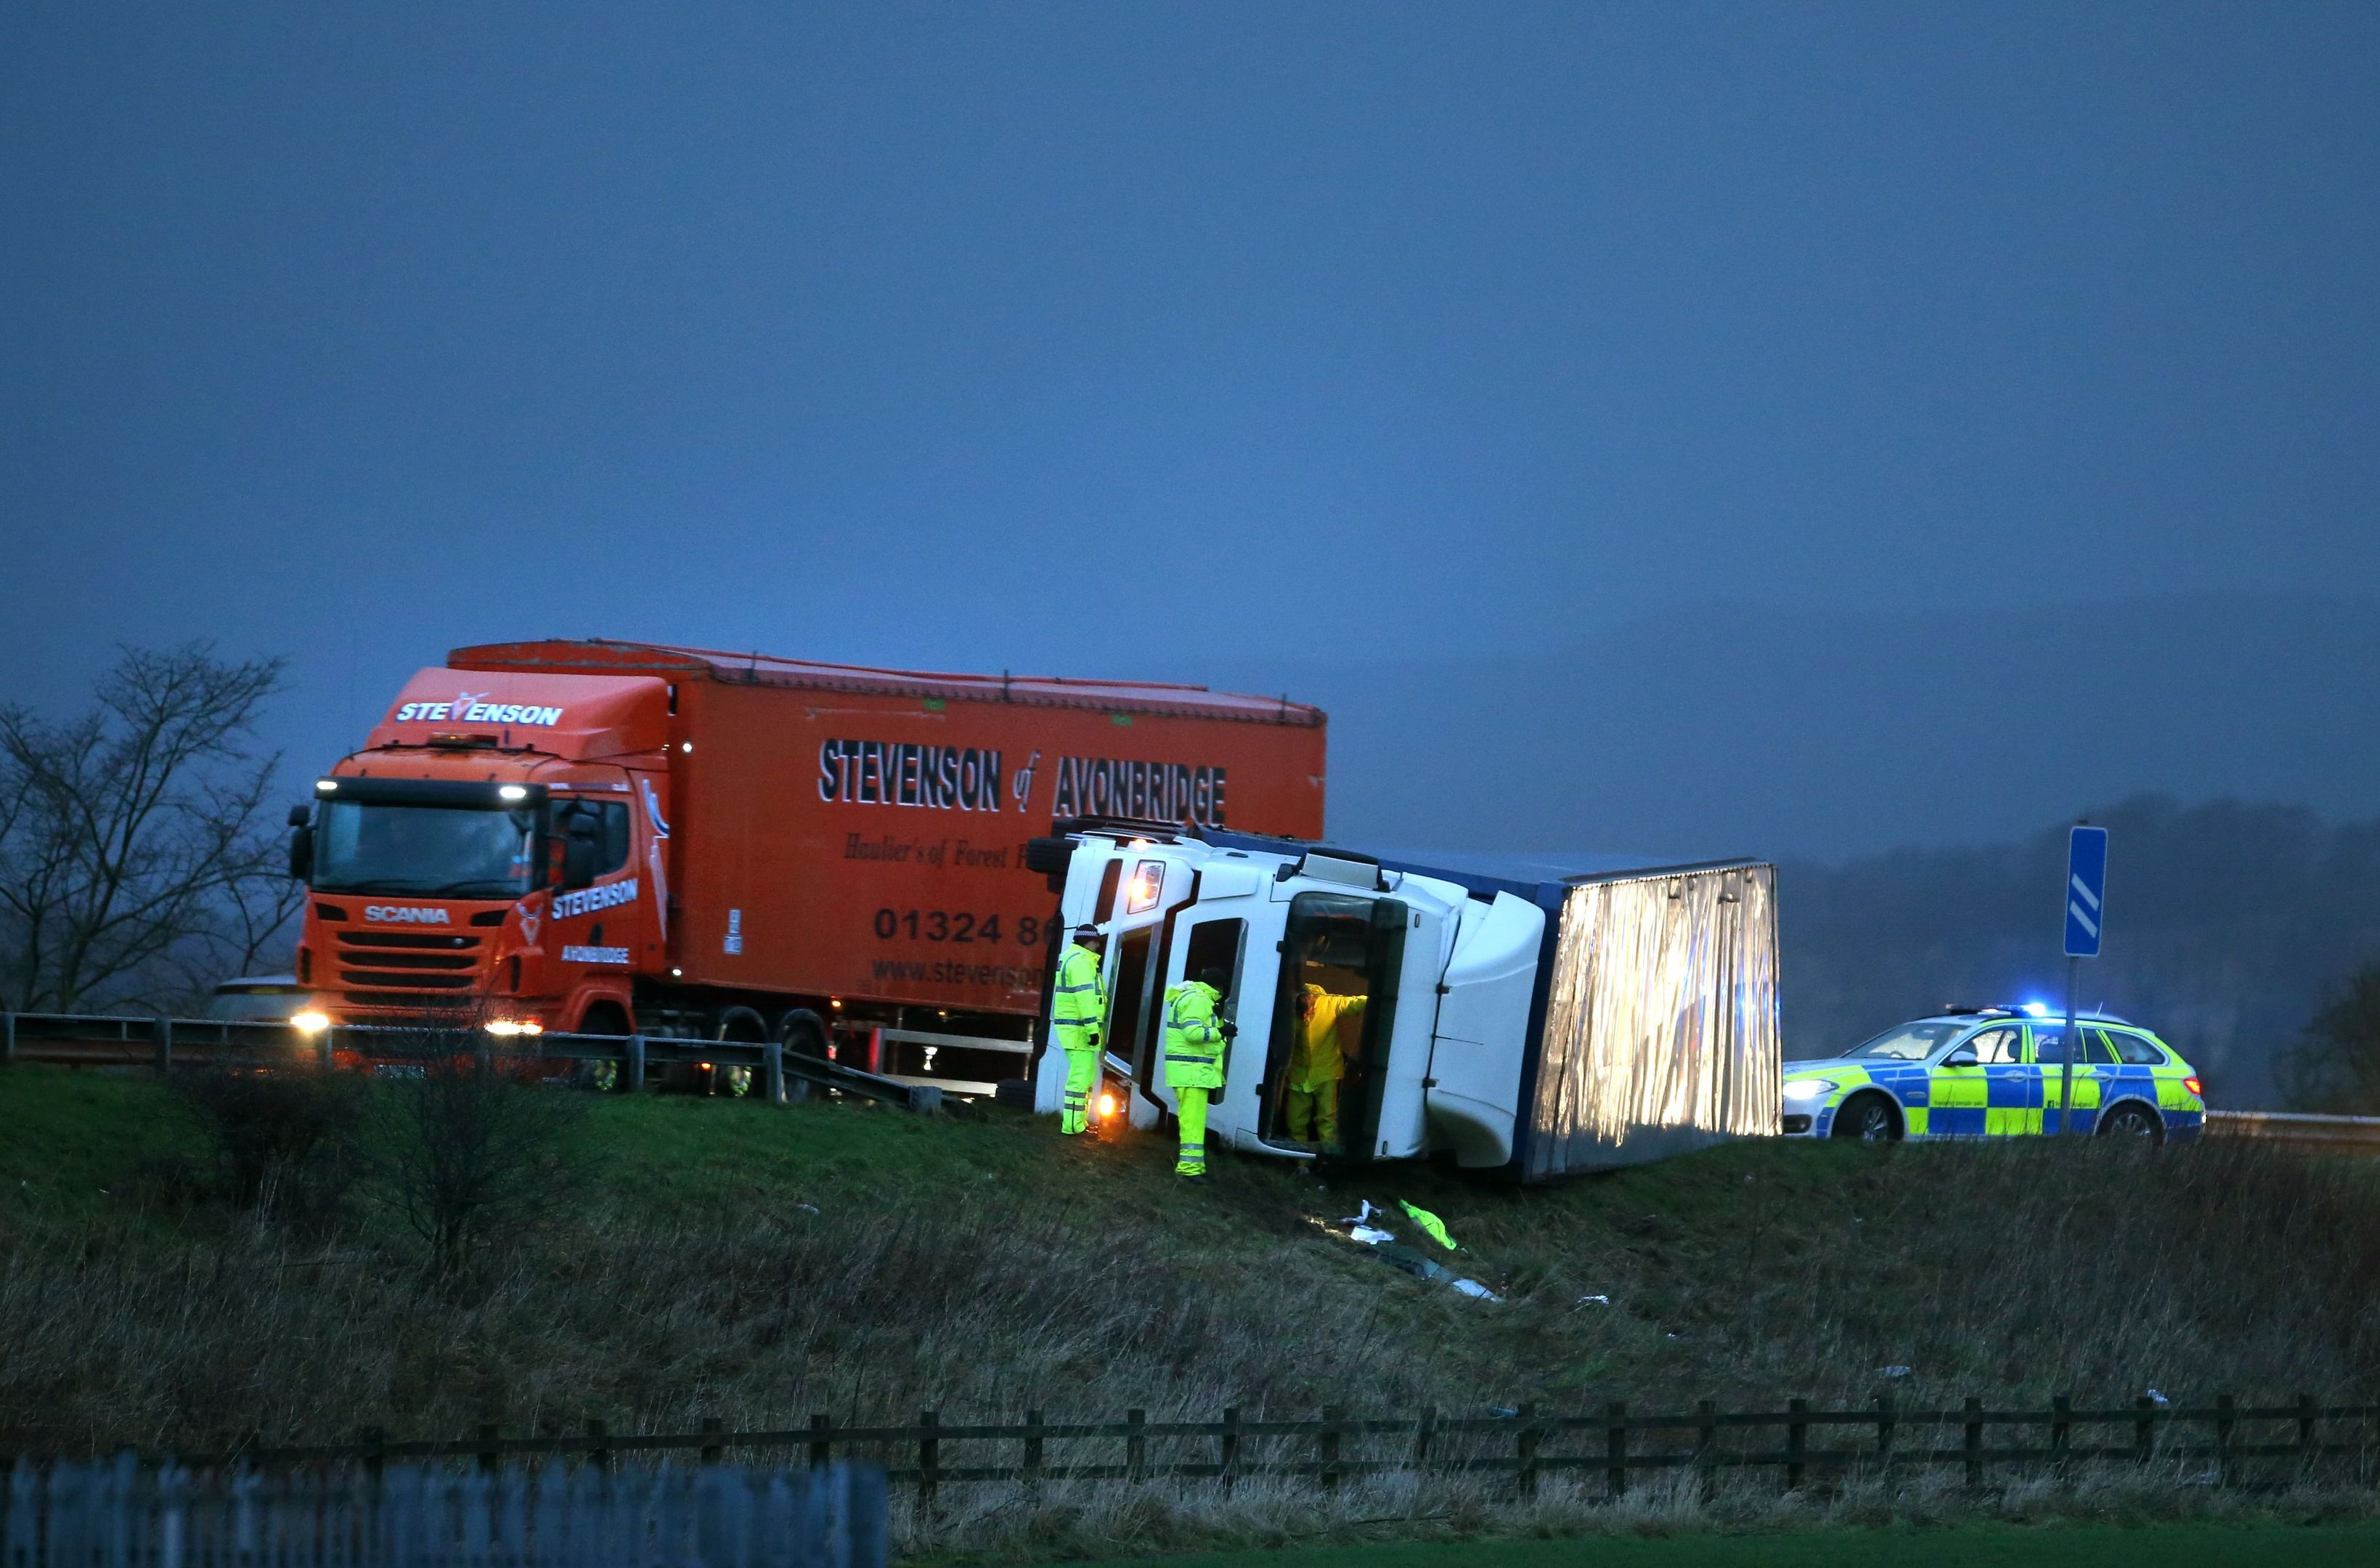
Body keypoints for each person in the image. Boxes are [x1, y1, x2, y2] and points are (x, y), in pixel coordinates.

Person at [1162, 965, 1235, 1181]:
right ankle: (1189, 1170)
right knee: (1192, 1123)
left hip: (1190, 1071)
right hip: (1191, 1071)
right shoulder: (1199, 999)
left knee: (1192, 1121)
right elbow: (1193, 1033)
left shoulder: (1194, 996)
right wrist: (1221, 1032)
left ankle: (1196, 1168)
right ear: (1219, 987)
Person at [1285, 979, 1366, 1148]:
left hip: (1327, 1072)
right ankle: (1301, 1161)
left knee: (1327, 1120)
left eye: (1309, 1013)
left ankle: (1327, 1160)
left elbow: (1356, 1003)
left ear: (1314, 1003)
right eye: (1302, 1015)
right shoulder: (1289, 1006)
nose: (1305, 1017)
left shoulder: (1330, 1002)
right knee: (1295, 1120)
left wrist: (1383, 1000)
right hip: (1298, 1072)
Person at [1049, 923, 1108, 1134]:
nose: (1098, 946)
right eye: (1096, 941)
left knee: (1085, 1076)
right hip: (1080, 1030)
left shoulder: (1072, 959)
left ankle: (1078, 1123)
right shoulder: (1082, 962)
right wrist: (1093, 1030)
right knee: (1080, 1078)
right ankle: (1073, 1126)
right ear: (1087, 941)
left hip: (1075, 1028)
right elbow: (1085, 999)